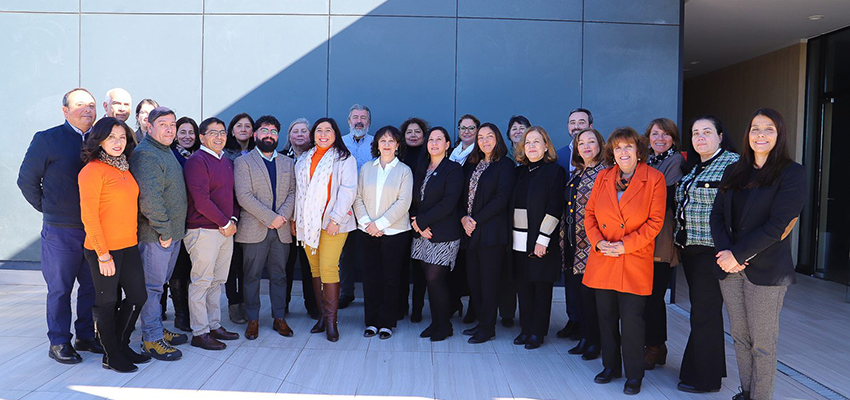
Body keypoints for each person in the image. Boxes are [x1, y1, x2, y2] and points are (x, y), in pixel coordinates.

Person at [711, 108, 806, 400]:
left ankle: (761, 397)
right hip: (730, 268)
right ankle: (747, 392)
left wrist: (737, 255)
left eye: (768, 129)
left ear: (779, 135)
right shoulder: (734, 170)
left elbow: (778, 225)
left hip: (766, 270)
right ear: (747, 134)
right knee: (740, 336)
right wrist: (726, 252)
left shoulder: (792, 173)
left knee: (763, 342)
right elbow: (717, 216)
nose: (761, 134)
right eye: (755, 128)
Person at [18, 87, 102, 364]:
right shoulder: (47, 139)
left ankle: (86, 336)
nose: (88, 110)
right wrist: (48, 208)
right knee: (60, 288)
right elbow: (27, 180)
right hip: (61, 230)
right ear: (65, 110)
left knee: (91, 287)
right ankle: (59, 342)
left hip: (94, 230)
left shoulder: (100, 141)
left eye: (91, 105)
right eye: (80, 105)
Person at [583, 127, 666, 395]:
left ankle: (634, 375)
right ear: (612, 152)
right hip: (603, 257)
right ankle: (610, 367)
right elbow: (589, 214)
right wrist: (597, 242)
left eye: (628, 147)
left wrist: (624, 245)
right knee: (606, 318)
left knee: (632, 321)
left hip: (633, 259)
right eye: (618, 148)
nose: (623, 152)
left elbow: (655, 223)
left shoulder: (654, 178)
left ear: (639, 150)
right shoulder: (604, 177)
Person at [78, 117, 150, 372]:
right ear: (99, 140)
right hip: (103, 250)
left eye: (121, 137)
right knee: (107, 302)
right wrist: (103, 255)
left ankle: (121, 344)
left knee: (137, 296)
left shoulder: (123, 169)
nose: (117, 143)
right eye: (111, 138)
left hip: (128, 246)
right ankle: (110, 354)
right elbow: (89, 217)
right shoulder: (91, 171)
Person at [674, 115, 739, 393]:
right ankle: (700, 369)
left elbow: (740, 209)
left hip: (712, 251)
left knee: (705, 313)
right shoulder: (692, 168)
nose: (700, 137)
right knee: (702, 312)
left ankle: (706, 379)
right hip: (689, 250)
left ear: (720, 136)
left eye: (707, 132)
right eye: (695, 132)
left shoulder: (733, 164)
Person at [130, 106, 189, 361]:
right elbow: (150, 199)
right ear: (149, 127)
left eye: (172, 124)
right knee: (152, 288)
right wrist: (164, 230)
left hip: (171, 234)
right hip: (157, 236)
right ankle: (152, 339)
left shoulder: (164, 151)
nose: (169, 128)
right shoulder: (146, 155)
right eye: (163, 123)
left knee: (158, 286)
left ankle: (155, 329)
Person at [293, 117, 357, 342]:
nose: (322, 134)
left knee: (329, 267)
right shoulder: (304, 159)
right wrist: (296, 220)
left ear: (335, 134)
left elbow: (348, 191)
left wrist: (336, 219)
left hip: (333, 224)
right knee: (314, 270)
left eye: (327, 130)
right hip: (307, 224)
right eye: (318, 130)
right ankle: (322, 317)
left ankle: (332, 322)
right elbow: (299, 193)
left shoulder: (344, 158)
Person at [235, 115, 297, 340]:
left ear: (278, 136)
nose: (268, 134)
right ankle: (253, 320)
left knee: (280, 276)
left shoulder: (287, 162)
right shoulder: (243, 162)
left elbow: (293, 193)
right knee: (251, 277)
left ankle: (279, 318)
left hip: (280, 230)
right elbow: (243, 195)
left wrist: (281, 217)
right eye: (264, 130)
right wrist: (269, 217)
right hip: (254, 229)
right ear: (255, 134)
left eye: (273, 131)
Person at [183, 117, 242, 350]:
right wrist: (224, 222)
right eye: (213, 132)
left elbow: (232, 196)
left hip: (226, 229)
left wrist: (233, 219)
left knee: (218, 281)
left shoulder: (226, 161)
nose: (219, 137)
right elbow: (201, 200)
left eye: (222, 132)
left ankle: (214, 325)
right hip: (203, 230)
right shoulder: (197, 161)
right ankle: (199, 332)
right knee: (201, 282)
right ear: (201, 137)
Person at [353, 125, 413, 339]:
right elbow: (357, 198)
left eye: (391, 141)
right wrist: (368, 223)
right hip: (366, 231)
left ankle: (387, 323)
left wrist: (380, 224)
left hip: (395, 233)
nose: (386, 144)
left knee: (390, 278)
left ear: (397, 145)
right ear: (376, 145)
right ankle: (371, 322)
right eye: (382, 141)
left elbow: (404, 202)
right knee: (370, 278)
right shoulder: (367, 168)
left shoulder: (404, 171)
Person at [510, 126, 566, 350]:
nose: (531, 146)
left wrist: (543, 239)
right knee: (523, 285)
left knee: (540, 287)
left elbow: (554, 208)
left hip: (541, 238)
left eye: (536, 142)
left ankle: (537, 332)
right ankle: (525, 329)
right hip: (518, 239)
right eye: (528, 142)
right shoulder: (519, 172)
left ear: (546, 146)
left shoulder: (554, 172)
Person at [459, 123, 515, 344]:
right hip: (470, 232)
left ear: (498, 139)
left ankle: (488, 327)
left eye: (489, 136)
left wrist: (475, 219)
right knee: (475, 281)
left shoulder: (505, 166)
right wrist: (464, 217)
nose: (485, 141)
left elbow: (501, 198)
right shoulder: (471, 165)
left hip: (491, 233)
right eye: (480, 137)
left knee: (490, 282)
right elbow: (461, 196)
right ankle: (481, 321)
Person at [411, 127, 463, 342]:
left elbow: (448, 203)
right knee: (430, 279)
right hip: (421, 231)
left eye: (439, 139)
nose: (434, 143)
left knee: (435, 278)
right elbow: (411, 197)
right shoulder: (421, 166)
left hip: (444, 232)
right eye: (431, 139)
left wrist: (421, 221)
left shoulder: (453, 169)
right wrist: (416, 222)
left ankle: (445, 325)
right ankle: (436, 322)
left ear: (447, 144)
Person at [641, 118, 685, 370]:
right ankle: (655, 344)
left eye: (665, 134)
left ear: (673, 138)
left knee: (655, 296)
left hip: (662, 239)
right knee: (644, 295)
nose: (659, 138)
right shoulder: (646, 160)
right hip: (642, 239)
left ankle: (655, 346)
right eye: (654, 134)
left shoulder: (675, 161)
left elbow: (663, 199)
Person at [562, 128, 607, 360]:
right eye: (581, 143)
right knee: (579, 293)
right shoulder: (579, 171)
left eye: (591, 142)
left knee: (591, 296)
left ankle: (594, 342)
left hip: (591, 245)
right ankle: (585, 337)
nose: (586, 146)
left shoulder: (605, 172)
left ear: (600, 144)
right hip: (572, 242)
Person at [556, 107, 593, 340]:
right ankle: (574, 319)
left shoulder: (602, 156)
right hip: (565, 227)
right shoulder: (558, 154)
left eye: (581, 121)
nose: (576, 126)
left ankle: (589, 326)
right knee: (569, 274)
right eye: (572, 122)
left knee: (587, 279)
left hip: (589, 229)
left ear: (591, 124)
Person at [162, 116, 200, 334]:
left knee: (194, 269)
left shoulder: (201, 156)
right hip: (176, 221)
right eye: (182, 132)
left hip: (196, 220)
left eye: (191, 132)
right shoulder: (170, 155)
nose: (187, 136)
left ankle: (193, 312)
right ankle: (181, 315)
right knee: (178, 270)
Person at [282, 117, 319, 319]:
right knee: (284, 266)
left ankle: (313, 306)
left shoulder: (318, 159)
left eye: (304, 131)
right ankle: (283, 306)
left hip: (310, 222)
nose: (299, 134)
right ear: (289, 135)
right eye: (295, 131)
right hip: (286, 221)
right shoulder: (280, 157)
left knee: (309, 266)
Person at [339, 104, 373, 309]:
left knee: (370, 252)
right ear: (348, 121)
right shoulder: (339, 143)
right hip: (344, 207)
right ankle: (346, 292)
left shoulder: (377, 143)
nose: (359, 121)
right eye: (355, 117)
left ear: (369, 122)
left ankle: (371, 293)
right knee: (345, 253)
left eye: (363, 118)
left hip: (369, 207)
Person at [223, 112, 255, 324]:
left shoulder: (258, 153)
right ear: (232, 130)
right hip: (230, 214)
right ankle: (233, 303)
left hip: (252, 216)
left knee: (248, 264)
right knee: (231, 263)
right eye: (239, 126)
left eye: (247, 126)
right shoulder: (224, 153)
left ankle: (246, 302)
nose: (243, 129)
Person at [499, 115, 530, 327]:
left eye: (522, 128)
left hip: (528, 220)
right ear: (508, 134)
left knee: (524, 266)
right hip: (504, 218)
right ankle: (507, 313)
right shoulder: (503, 157)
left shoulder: (534, 154)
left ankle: (528, 314)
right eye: (514, 128)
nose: (517, 131)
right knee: (505, 268)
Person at [398, 117, 429, 322]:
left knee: (420, 268)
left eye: (417, 132)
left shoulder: (429, 157)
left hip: (421, 219)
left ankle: (417, 309)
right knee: (400, 266)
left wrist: (420, 218)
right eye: (409, 132)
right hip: (399, 219)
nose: (413, 135)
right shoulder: (398, 156)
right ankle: (400, 307)